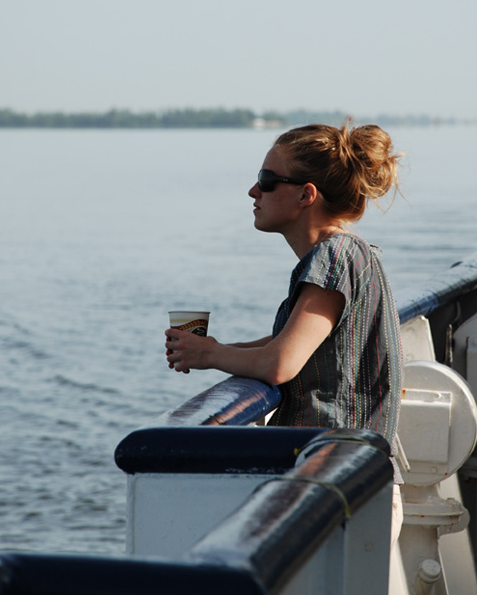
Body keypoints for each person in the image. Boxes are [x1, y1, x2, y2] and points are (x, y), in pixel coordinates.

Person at [164, 122, 404, 463]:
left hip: (341, 475)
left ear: (306, 195)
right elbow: (291, 343)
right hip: (348, 469)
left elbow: (280, 363)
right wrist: (208, 348)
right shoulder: (350, 254)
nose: (252, 191)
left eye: (266, 180)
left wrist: (210, 356)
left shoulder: (335, 258)